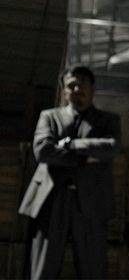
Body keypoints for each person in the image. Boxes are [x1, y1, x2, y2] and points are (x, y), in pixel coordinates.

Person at [19, 66, 121, 279]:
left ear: (92, 89)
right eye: (71, 85)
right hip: (51, 199)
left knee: (92, 268)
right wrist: (84, 158)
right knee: (42, 268)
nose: (77, 89)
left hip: (91, 203)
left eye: (82, 84)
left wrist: (70, 144)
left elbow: (111, 147)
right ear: (64, 91)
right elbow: (42, 151)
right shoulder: (49, 117)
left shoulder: (108, 121)